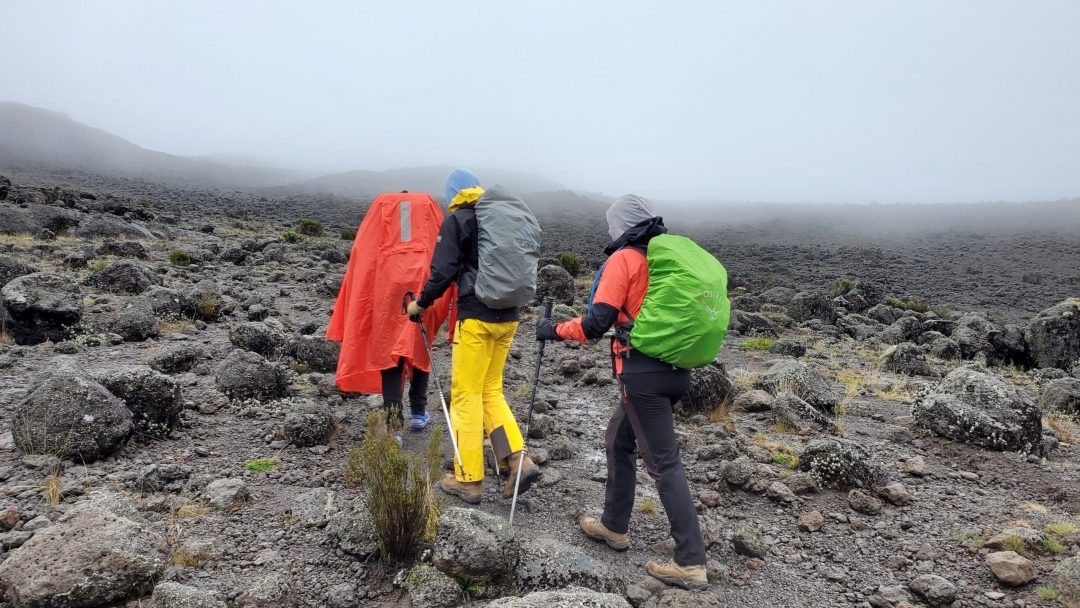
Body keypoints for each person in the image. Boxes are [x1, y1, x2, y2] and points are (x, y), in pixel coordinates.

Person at [535, 194, 709, 590]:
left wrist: (555, 329)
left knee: (664, 464)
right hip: (676, 368)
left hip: (643, 374)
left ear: (621, 226)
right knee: (617, 440)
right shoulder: (665, 260)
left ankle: (691, 562)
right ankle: (614, 526)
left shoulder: (624, 259)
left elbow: (597, 322)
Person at [406, 169, 540, 504]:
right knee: (490, 391)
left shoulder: (459, 219)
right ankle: (518, 460)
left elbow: (444, 270)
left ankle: (469, 479)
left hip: (476, 320)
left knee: (466, 396)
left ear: (452, 192)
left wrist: (419, 304)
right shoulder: (497, 216)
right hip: (508, 317)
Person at [326, 191, 454, 436]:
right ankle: (418, 412)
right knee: (420, 346)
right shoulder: (428, 205)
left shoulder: (381, 206)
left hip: (386, 289)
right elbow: (443, 250)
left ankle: (394, 424)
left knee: (389, 352)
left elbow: (362, 257)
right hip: (424, 285)